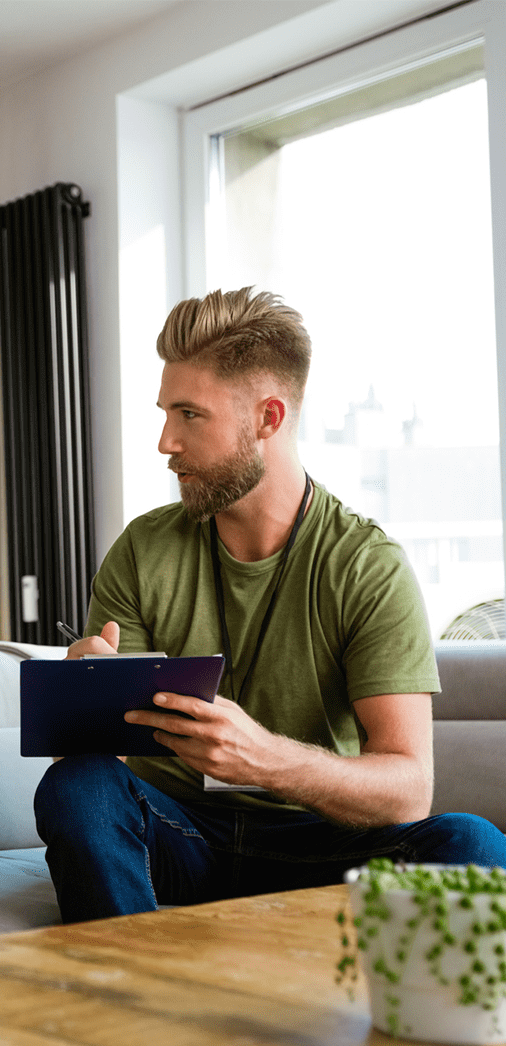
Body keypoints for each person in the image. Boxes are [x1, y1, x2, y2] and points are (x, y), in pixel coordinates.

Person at [34, 287, 506, 923]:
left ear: (268, 417)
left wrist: (263, 758)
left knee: (470, 843)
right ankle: (132, 997)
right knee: (77, 789)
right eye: (164, 413)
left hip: (323, 843)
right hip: (180, 832)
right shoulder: (145, 549)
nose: (164, 442)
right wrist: (84, 706)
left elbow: (408, 790)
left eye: (188, 415)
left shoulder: (367, 566)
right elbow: (95, 770)